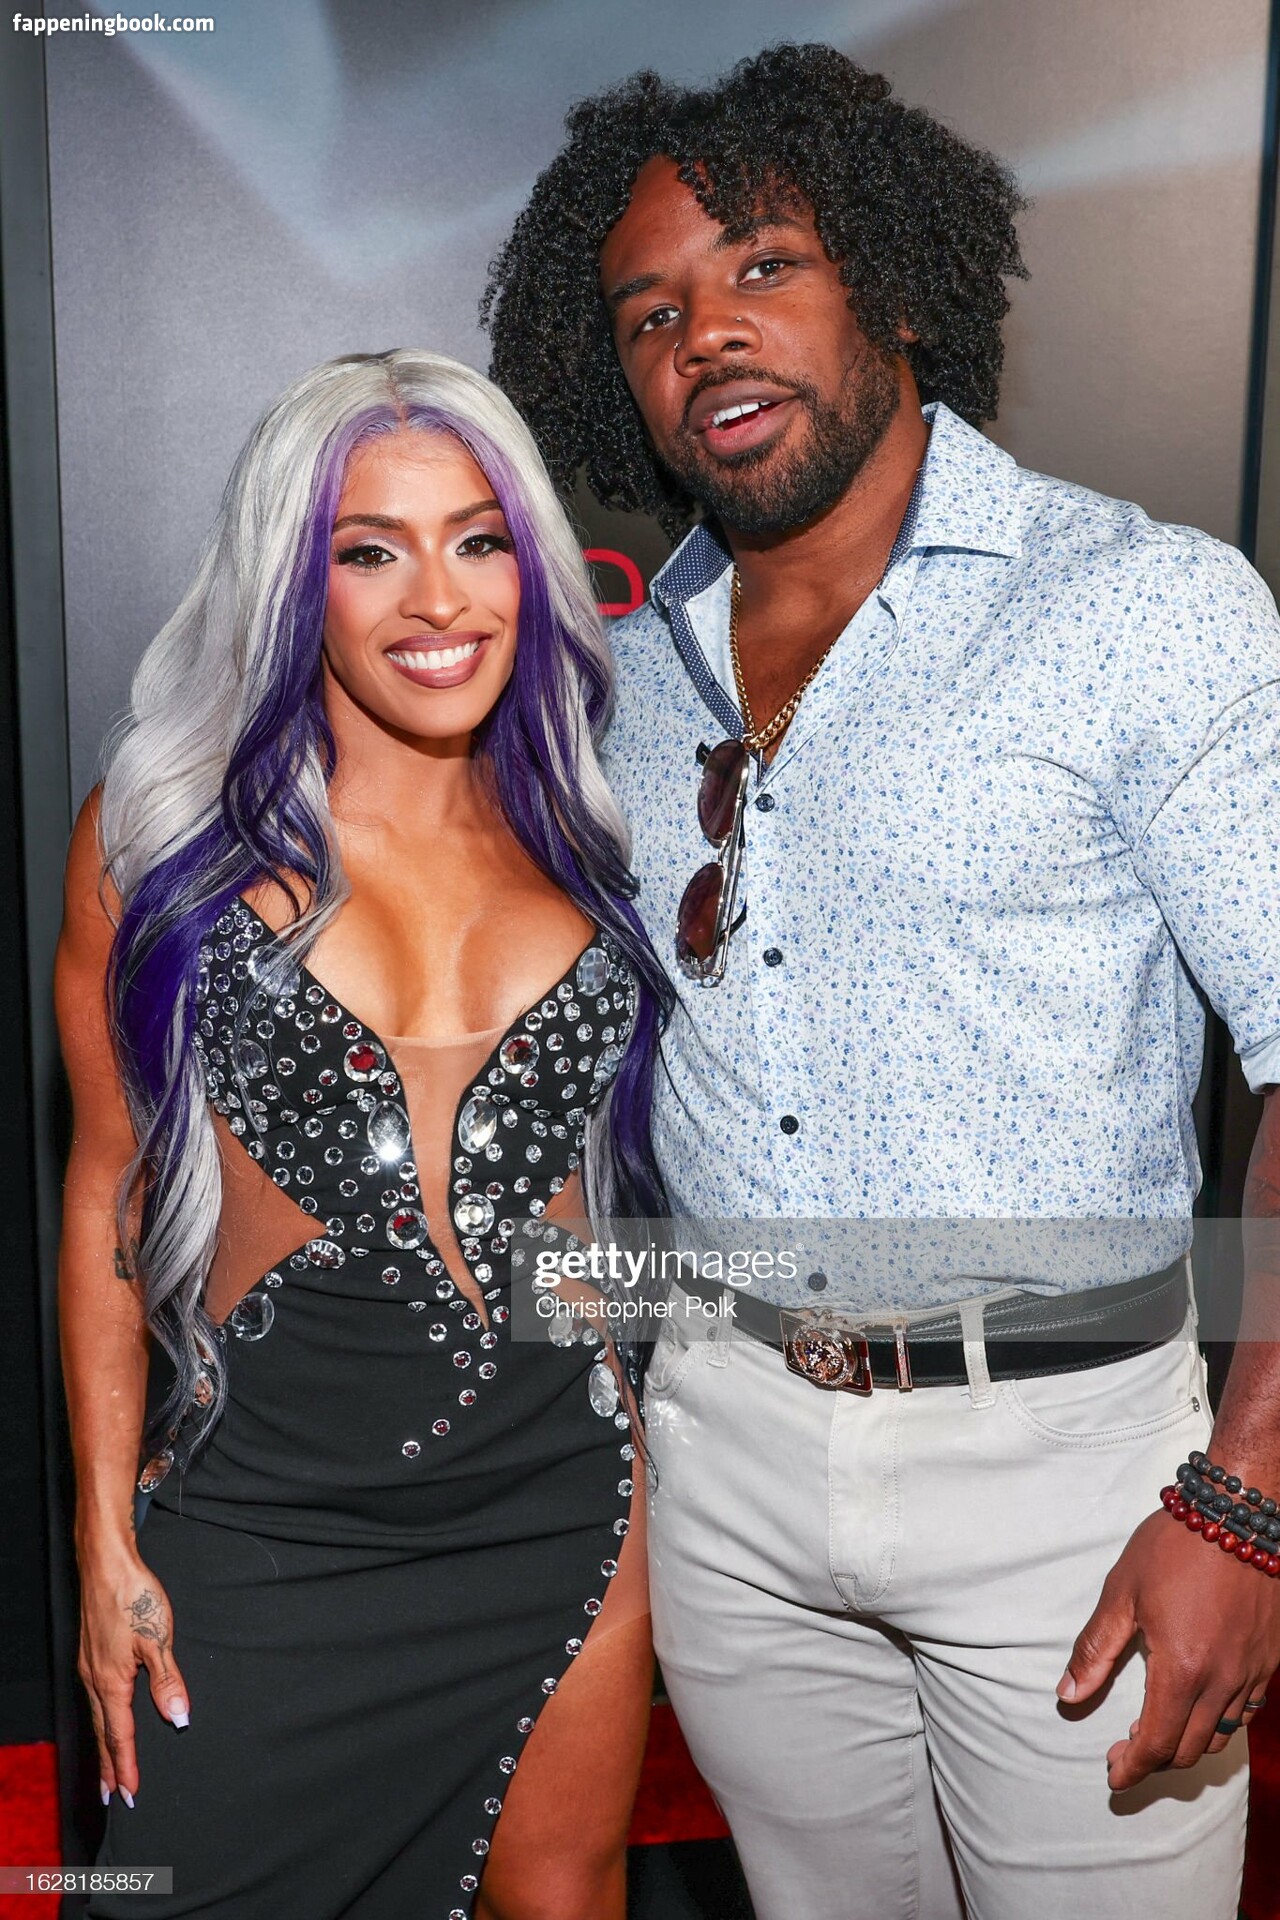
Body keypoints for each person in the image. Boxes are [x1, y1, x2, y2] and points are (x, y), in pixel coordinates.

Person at [484, 43, 1280, 1920]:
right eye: (651, 312)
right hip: (731, 1468)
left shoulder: (1142, 607)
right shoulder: (612, 680)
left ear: (899, 289)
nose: (707, 333)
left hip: (1073, 1473)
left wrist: (1248, 1502)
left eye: (764, 265)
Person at [56, 348, 670, 1920]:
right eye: (371, 551)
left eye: (479, 540)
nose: (439, 599)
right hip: (268, 1522)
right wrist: (104, 1537)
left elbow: (608, 1226)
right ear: (291, 581)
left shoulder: (591, 831)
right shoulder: (159, 849)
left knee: (563, 1896)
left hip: (560, 1507)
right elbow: (109, 1192)